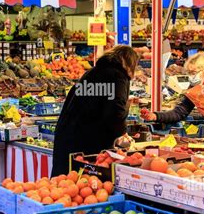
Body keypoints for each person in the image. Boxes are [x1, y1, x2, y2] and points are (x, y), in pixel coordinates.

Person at [52, 45, 139, 177]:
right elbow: (115, 112)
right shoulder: (118, 76)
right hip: (89, 144)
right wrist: (122, 134)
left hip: (67, 136)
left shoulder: (91, 73)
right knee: (84, 185)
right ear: (130, 63)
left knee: (64, 182)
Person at [141, 52, 204, 129]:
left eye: (194, 72)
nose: (191, 76)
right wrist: (155, 116)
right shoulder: (196, 86)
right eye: (189, 73)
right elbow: (180, 112)